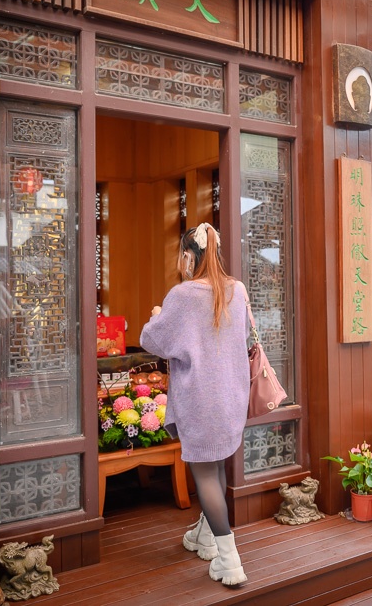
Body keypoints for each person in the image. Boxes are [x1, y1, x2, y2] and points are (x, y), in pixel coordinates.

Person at [140, 222, 250, 587]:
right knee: (215, 465)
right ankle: (206, 538)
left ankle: (230, 560)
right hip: (232, 396)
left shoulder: (184, 295)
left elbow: (152, 340)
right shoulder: (237, 290)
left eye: (182, 256)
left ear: (189, 256)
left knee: (204, 474)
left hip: (201, 399)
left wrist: (157, 317)